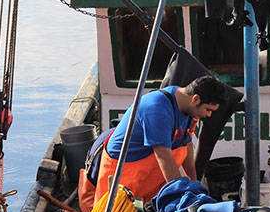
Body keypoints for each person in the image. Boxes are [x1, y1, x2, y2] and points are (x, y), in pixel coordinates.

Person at [94, 75, 225, 204]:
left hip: (149, 174)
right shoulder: (157, 108)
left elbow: (187, 146)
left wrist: (194, 183)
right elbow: (163, 156)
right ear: (195, 99)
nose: (208, 115)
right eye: (208, 110)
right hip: (123, 172)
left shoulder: (190, 110)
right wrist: (182, 198)